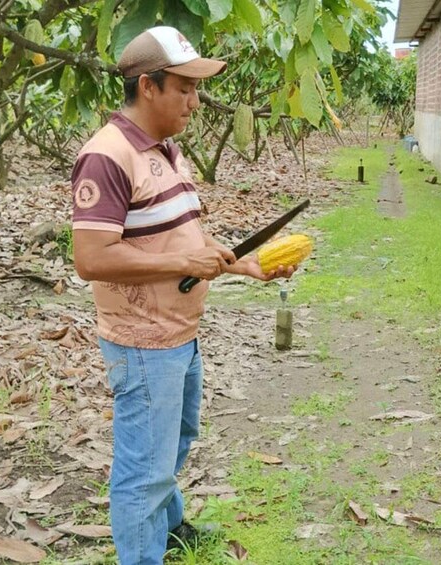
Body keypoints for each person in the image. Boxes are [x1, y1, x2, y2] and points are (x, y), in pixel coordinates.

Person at [71, 26, 294, 563]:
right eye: (185, 88)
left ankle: (169, 526)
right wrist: (182, 263)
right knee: (144, 468)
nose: (196, 101)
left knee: (174, 441)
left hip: (179, 335)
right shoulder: (107, 156)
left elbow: (185, 237)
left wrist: (244, 265)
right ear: (148, 87)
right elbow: (91, 258)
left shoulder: (168, 150)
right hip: (143, 344)